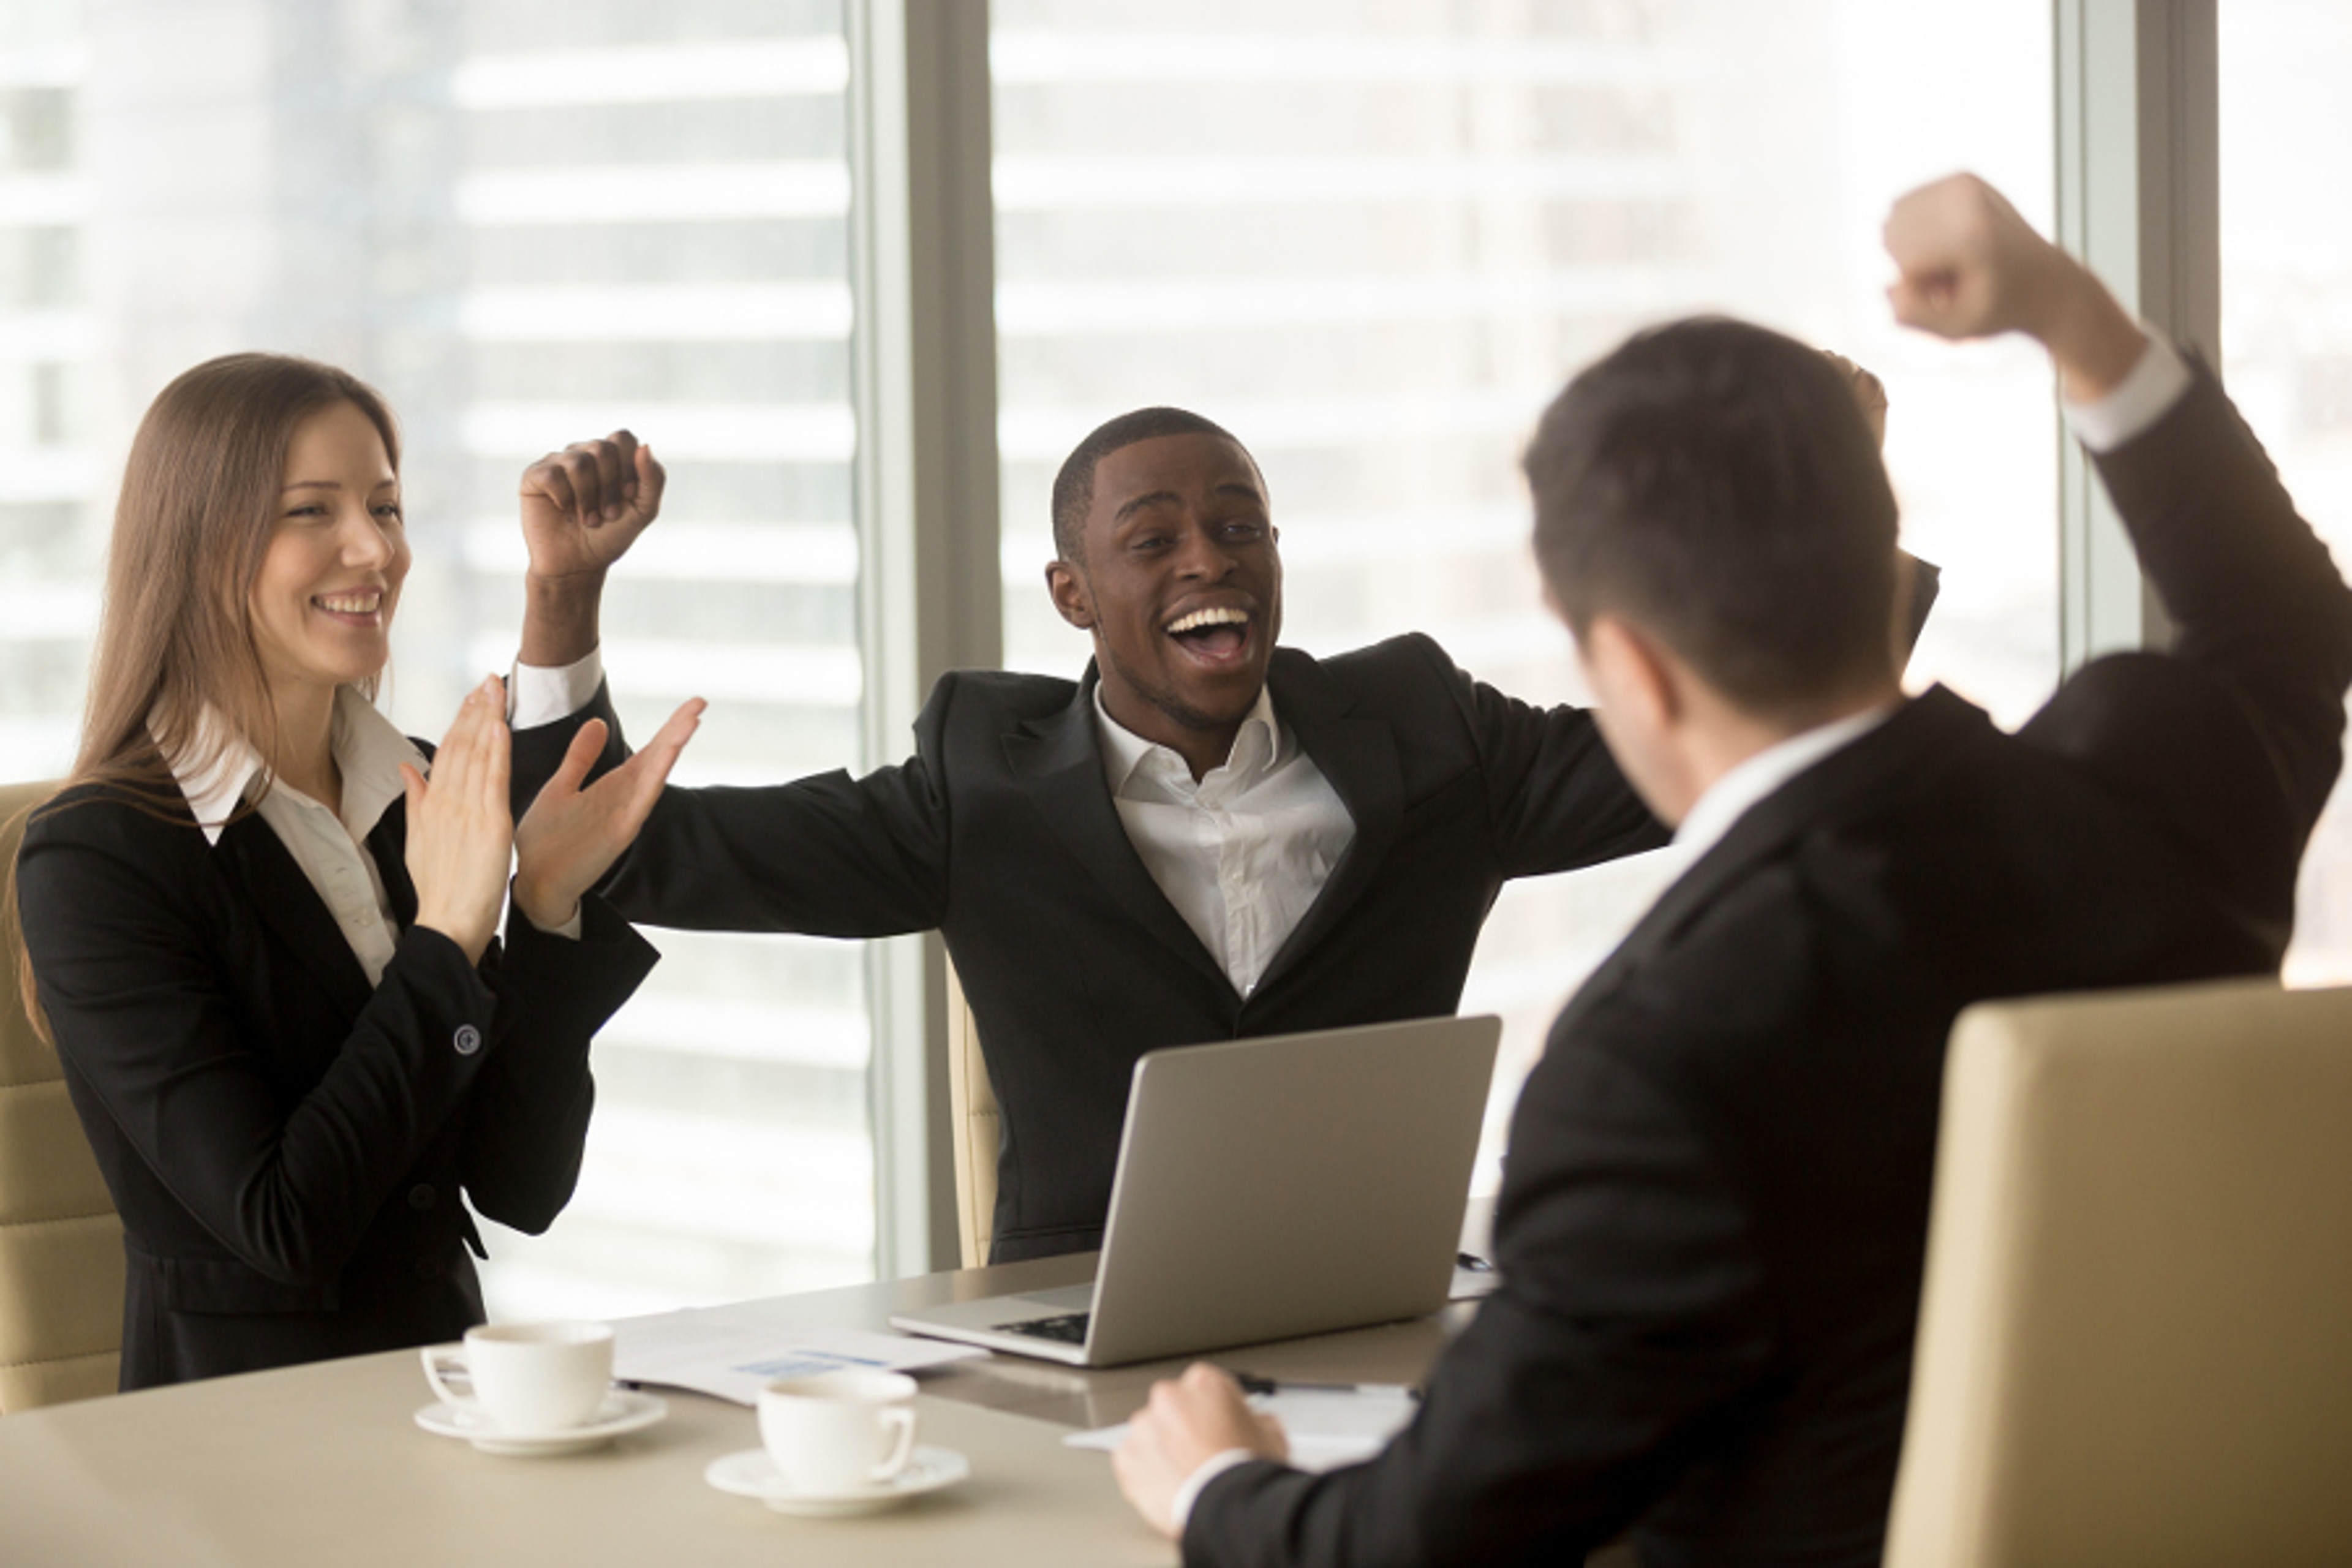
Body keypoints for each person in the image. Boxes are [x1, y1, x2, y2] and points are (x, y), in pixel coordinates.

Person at [1109, 173, 2352, 1566]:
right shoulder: (2159, 787)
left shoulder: (1661, 1063)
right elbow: (2291, 625)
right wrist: (2068, 316)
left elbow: (1430, 1544)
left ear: (1628, 663)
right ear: (1885, 578)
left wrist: (1219, 1485)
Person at [500, 366, 1931, 1264]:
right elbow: (630, 849)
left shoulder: (1429, 732)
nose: (1211, 559)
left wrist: (1833, 512)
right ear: (1073, 595)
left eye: (1241, 525)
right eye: (1156, 539)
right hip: (1075, 1316)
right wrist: (565, 597)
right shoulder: (978, 784)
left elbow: (1723, 748)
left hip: (1389, 1296)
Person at [12, 353, 701, 1389]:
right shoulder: (98, 858)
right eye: (310, 511)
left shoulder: (414, 789)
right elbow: (282, 1223)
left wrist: (543, 913)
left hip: (447, 1399)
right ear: (199, 546)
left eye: (386, 505)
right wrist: (448, 939)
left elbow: (521, 1186)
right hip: (242, 1452)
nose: (372, 547)